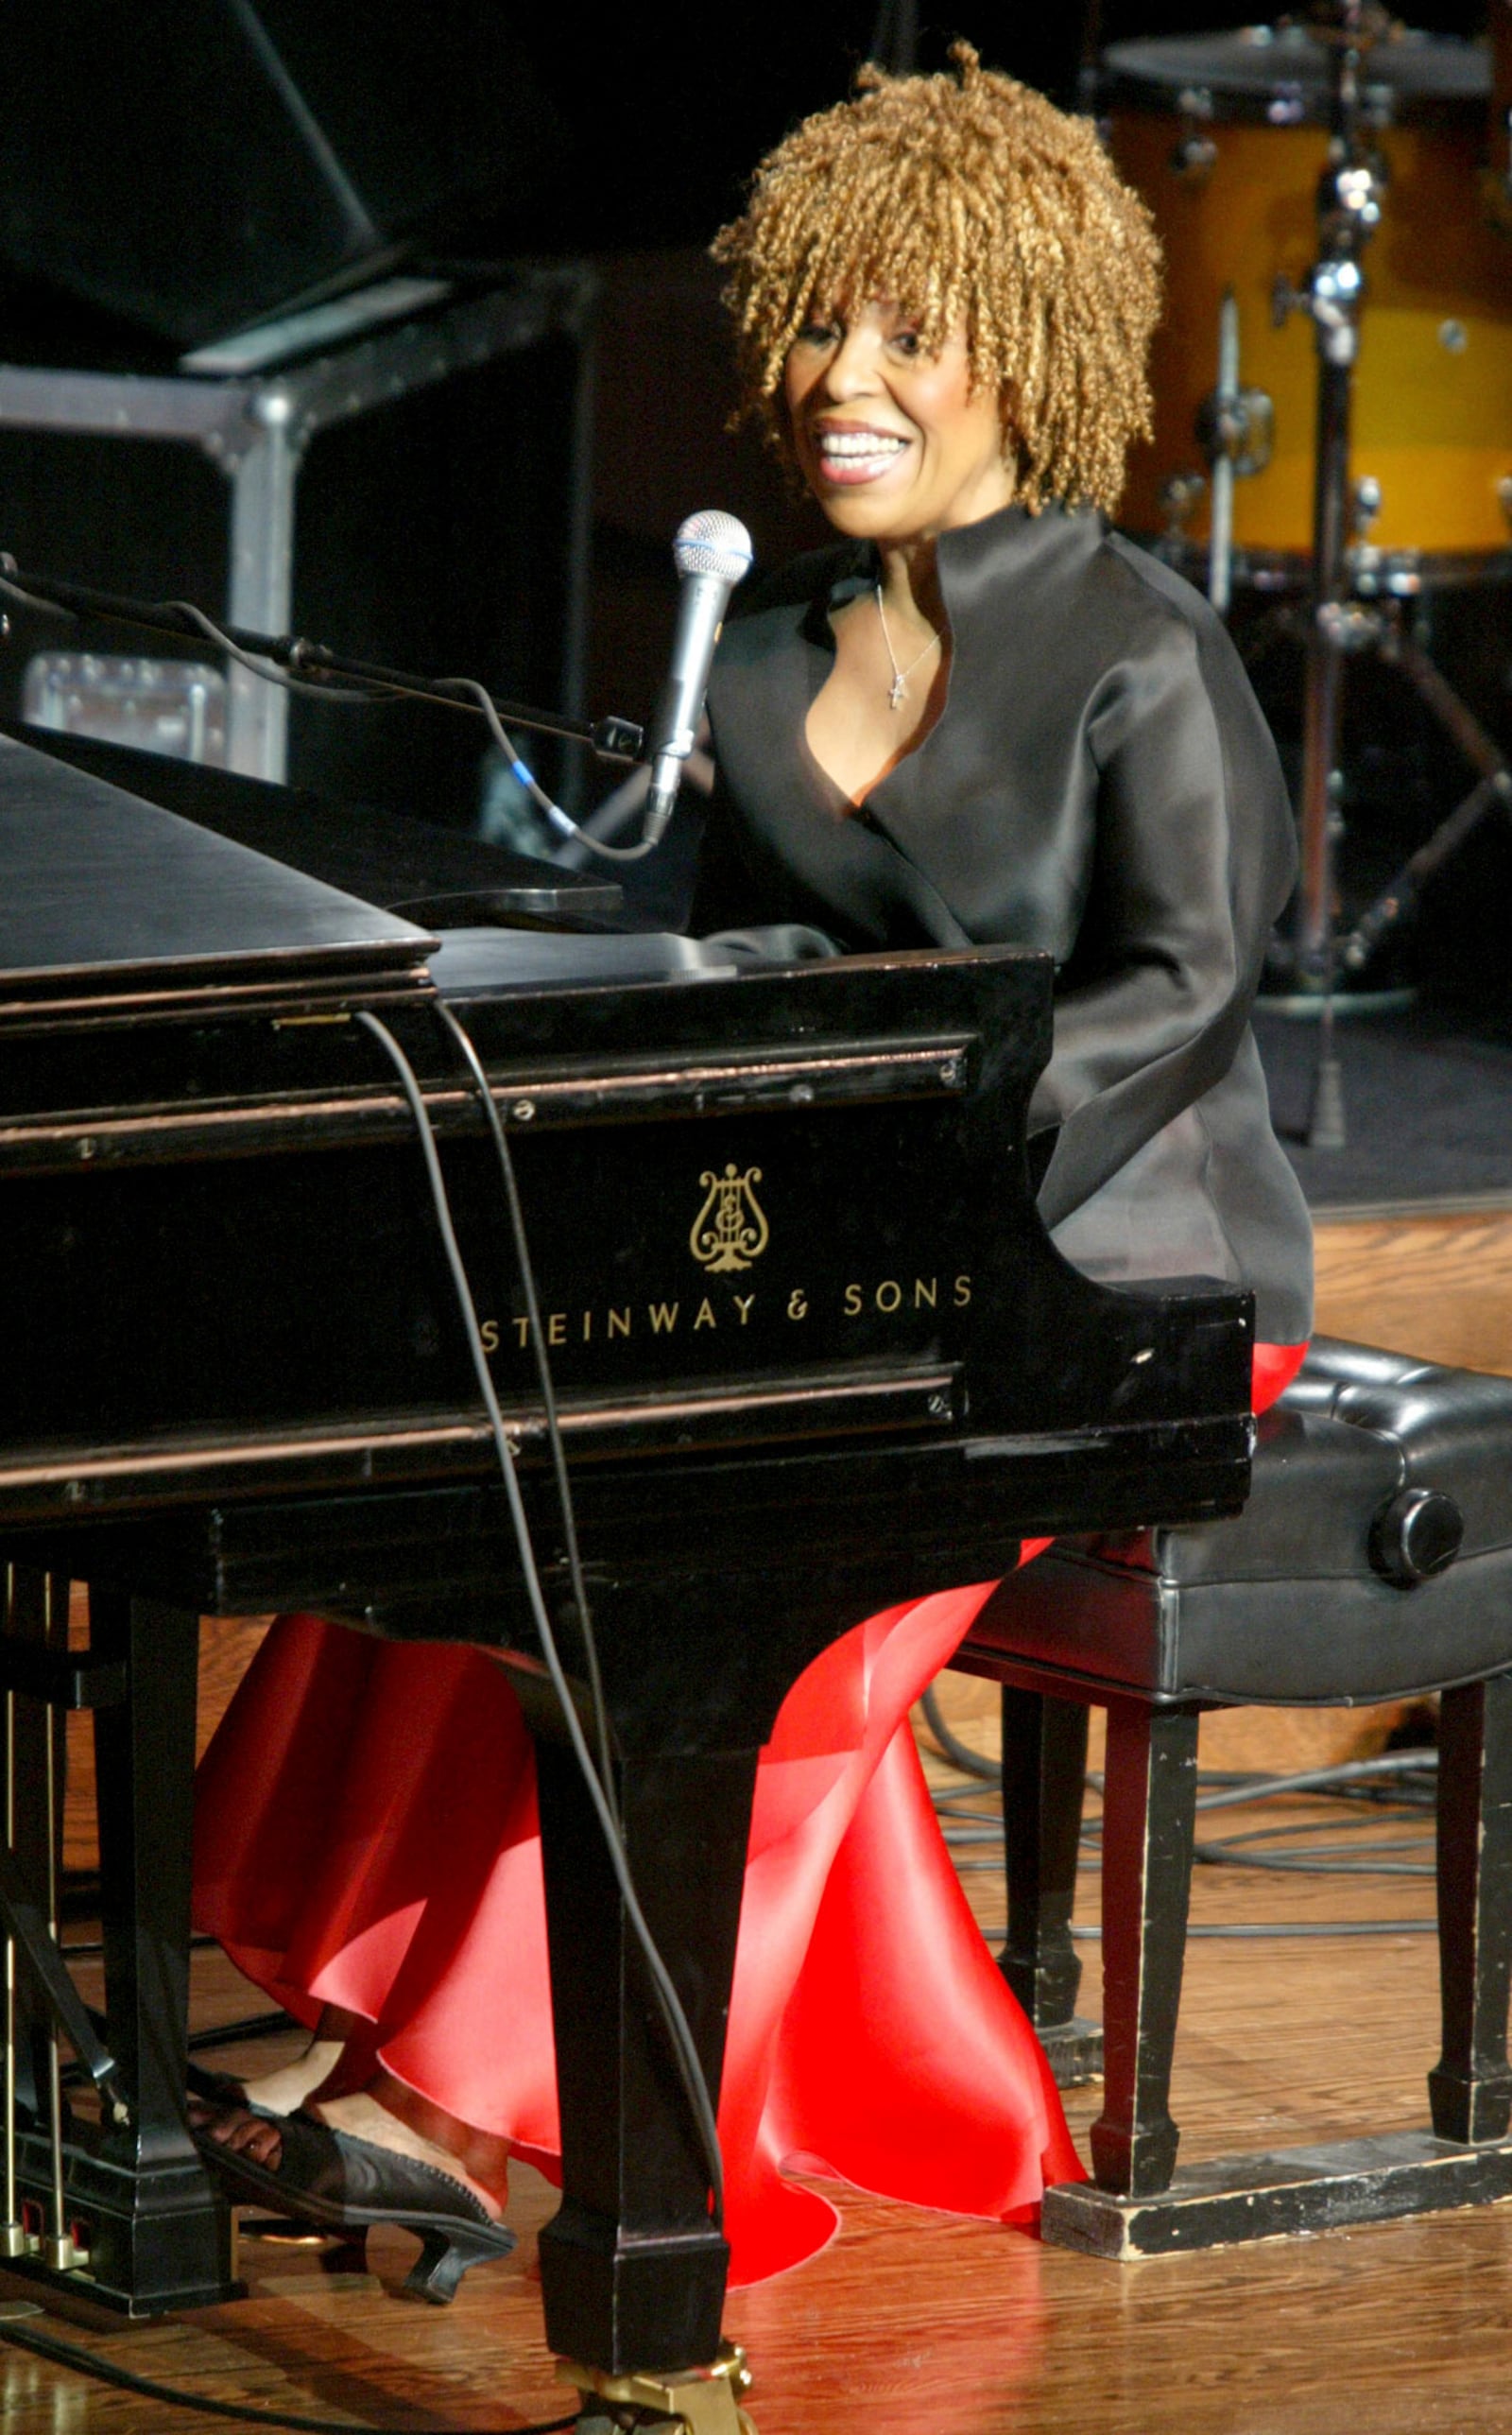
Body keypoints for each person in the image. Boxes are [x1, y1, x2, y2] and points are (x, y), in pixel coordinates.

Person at [191, 44, 1313, 2296]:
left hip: (1107, 1271)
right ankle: (351, 2023)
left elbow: (1176, 992)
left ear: (1037, 350)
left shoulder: (1135, 652)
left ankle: (447, 2096)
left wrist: (907, 1186)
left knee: (742, 1598)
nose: (841, 377)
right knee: (493, 1503)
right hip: (822, 1249)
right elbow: (722, 962)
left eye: (912, 332)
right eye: (819, 320)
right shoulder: (782, 638)